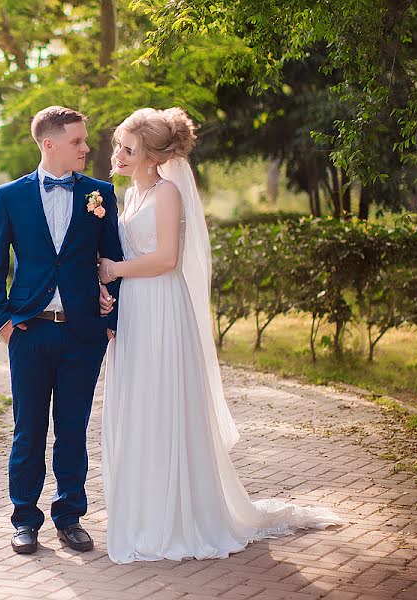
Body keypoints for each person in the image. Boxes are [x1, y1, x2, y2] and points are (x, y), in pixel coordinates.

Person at [98, 107, 343, 564]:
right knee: (139, 406)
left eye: (128, 149)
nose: (118, 154)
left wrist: (113, 270)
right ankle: (145, 510)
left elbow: (168, 258)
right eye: (118, 146)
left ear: (153, 157)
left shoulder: (167, 193)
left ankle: (178, 516)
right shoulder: (128, 195)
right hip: (135, 311)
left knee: (165, 405)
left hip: (163, 309)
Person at [0, 106, 123, 554]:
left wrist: (109, 322)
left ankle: (69, 516)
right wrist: (4, 323)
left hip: (84, 335)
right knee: (28, 430)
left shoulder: (100, 193)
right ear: (50, 144)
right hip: (30, 332)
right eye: (78, 141)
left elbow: (112, 262)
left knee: (73, 430)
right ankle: (24, 519)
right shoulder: (9, 196)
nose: (86, 148)